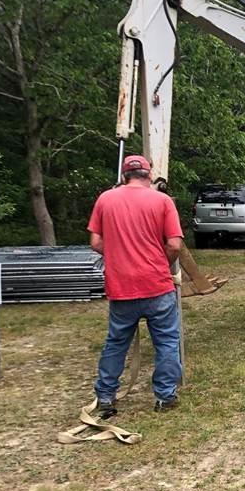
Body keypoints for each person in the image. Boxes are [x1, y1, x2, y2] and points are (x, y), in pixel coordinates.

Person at [87, 154, 184, 415]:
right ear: (149, 174)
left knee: (116, 342)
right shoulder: (162, 201)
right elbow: (175, 244)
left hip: (121, 287)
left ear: (124, 175)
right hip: (157, 285)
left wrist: (120, 255)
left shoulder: (106, 199)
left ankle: (106, 397)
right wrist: (162, 264)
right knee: (166, 341)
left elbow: (96, 242)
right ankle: (165, 396)